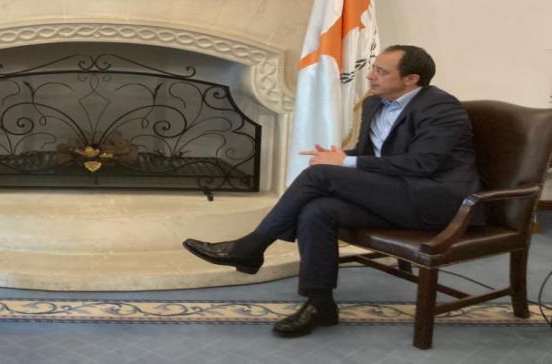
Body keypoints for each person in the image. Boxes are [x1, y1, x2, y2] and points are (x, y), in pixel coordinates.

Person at [183, 45, 480, 338]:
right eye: (373, 69)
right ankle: (320, 304)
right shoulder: (374, 104)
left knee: (320, 175)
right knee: (318, 211)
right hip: (396, 195)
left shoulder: (440, 107)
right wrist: (339, 156)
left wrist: (343, 163)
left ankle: (251, 247)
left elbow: (422, 164)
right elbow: (370, 154)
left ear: (411, 79)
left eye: (381, 71)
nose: (370, 76)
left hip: (438, 202)